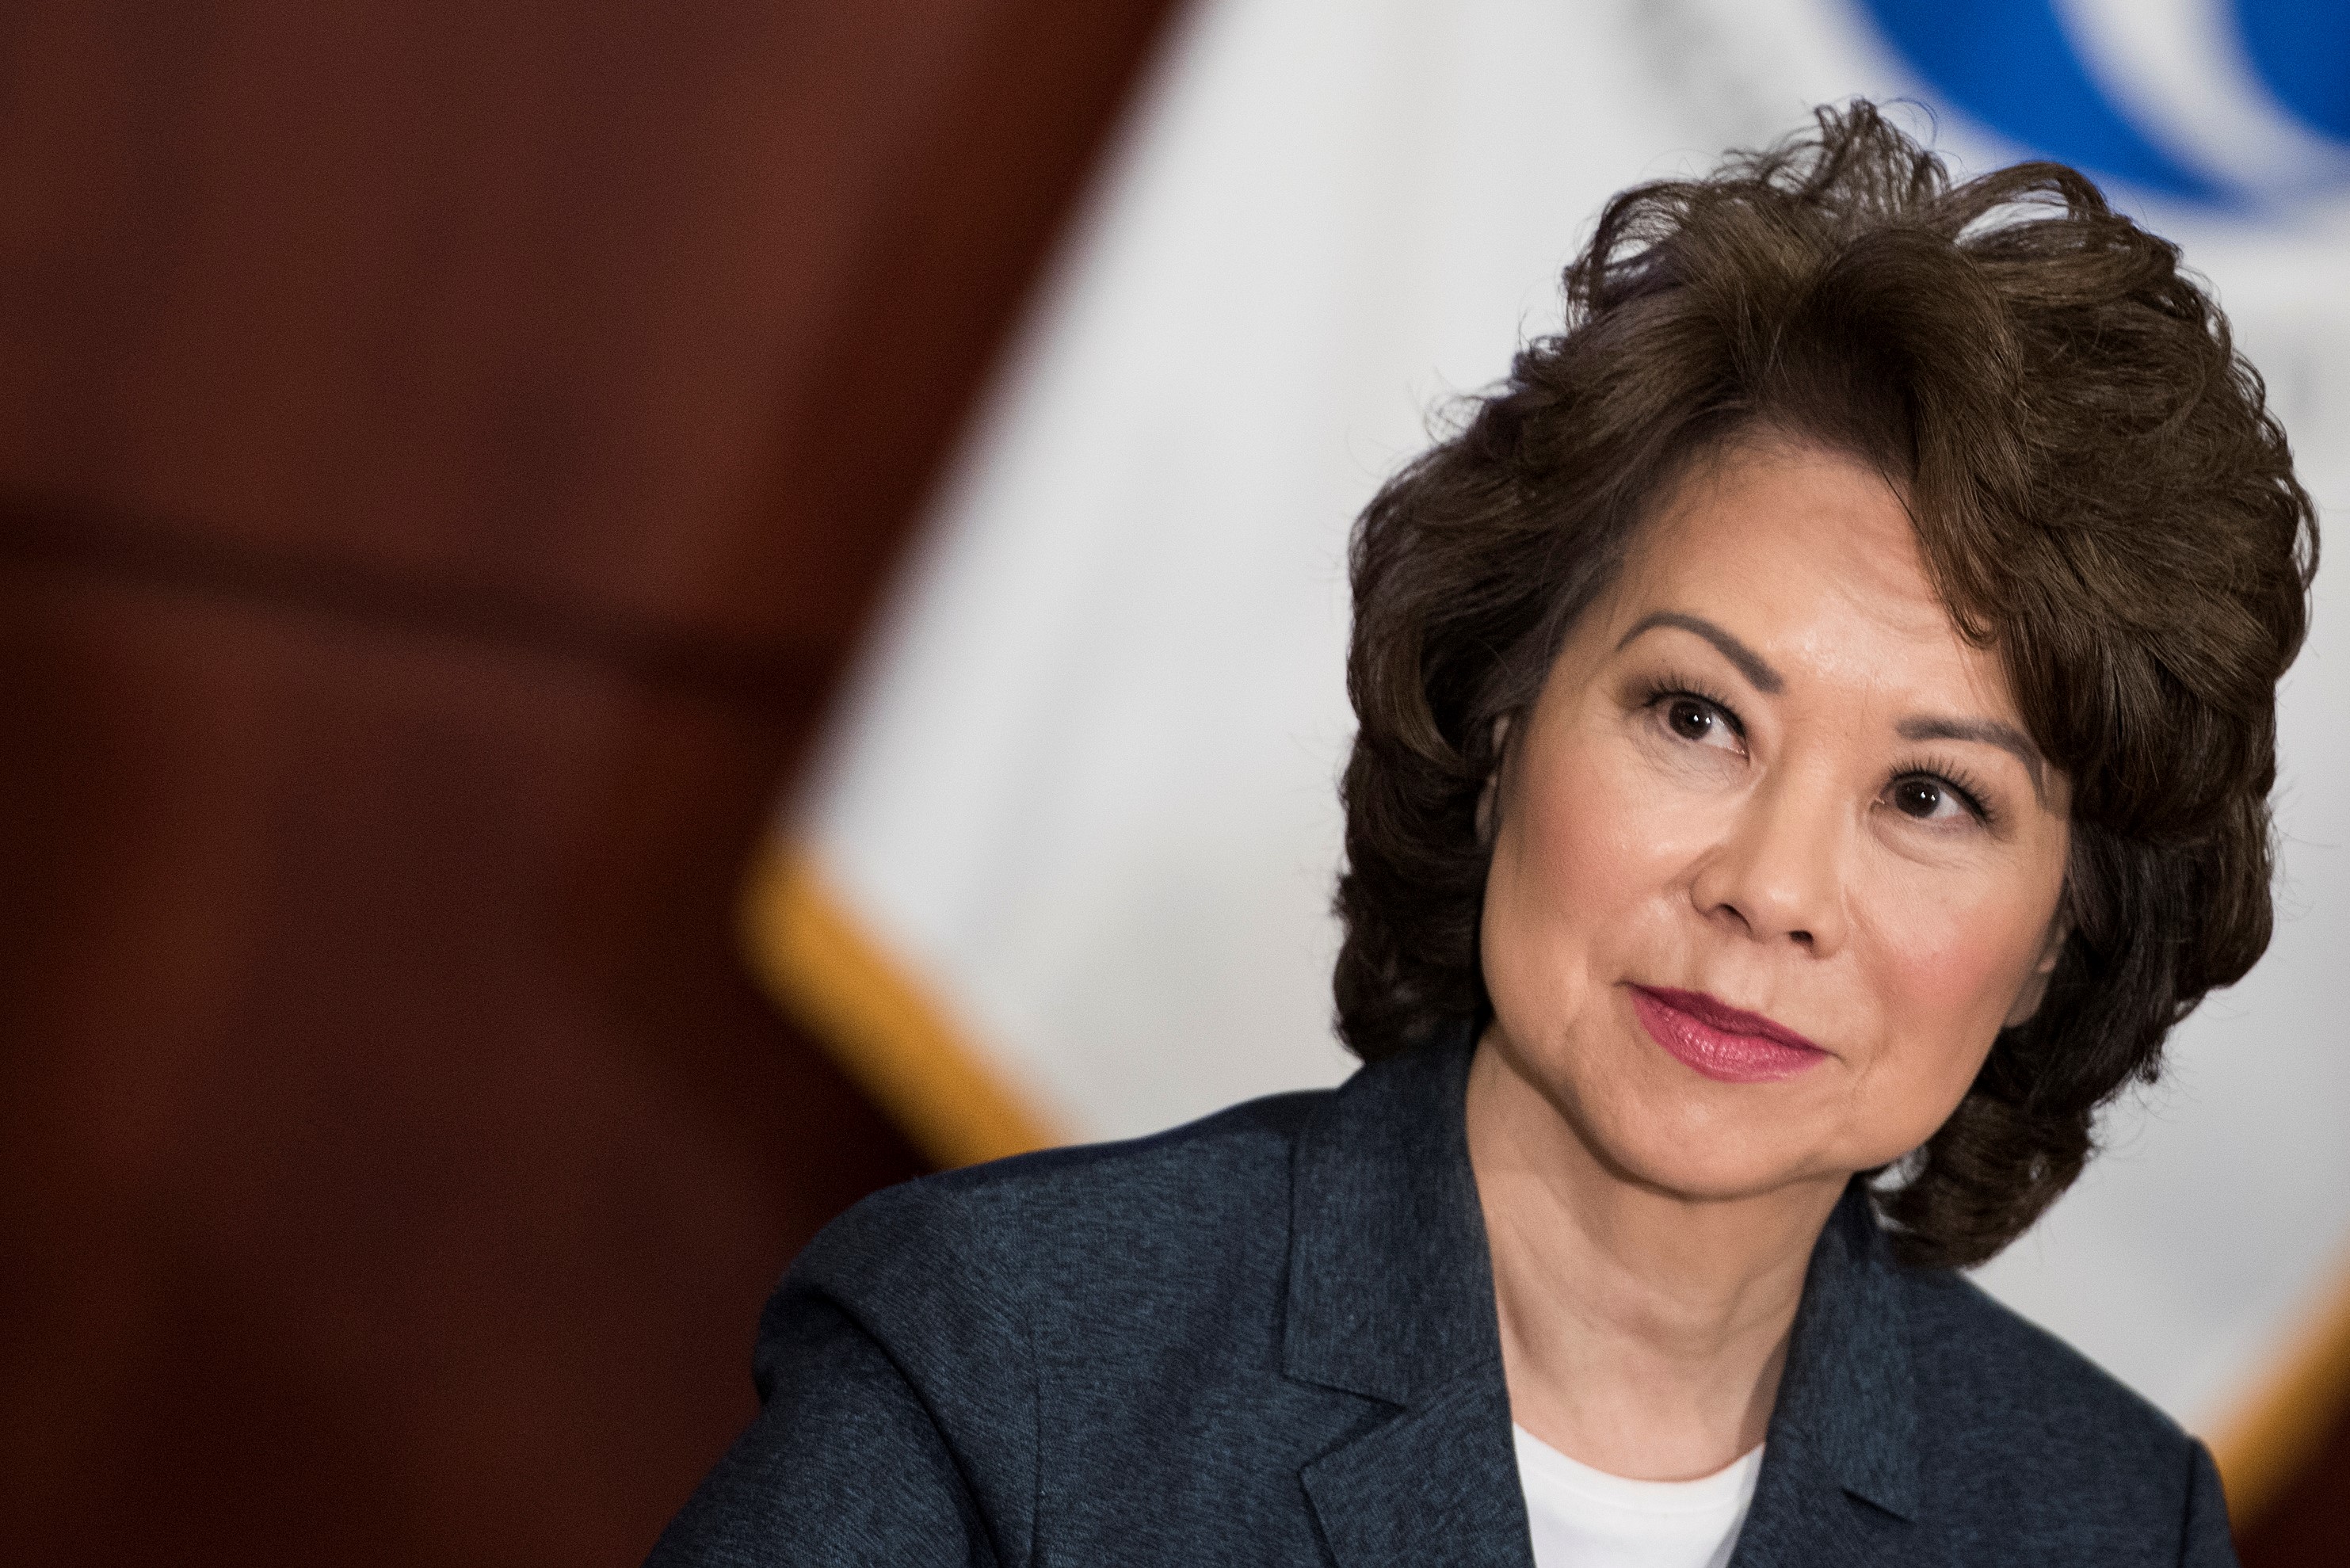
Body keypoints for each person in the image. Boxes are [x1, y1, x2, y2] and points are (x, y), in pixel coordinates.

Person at [650, 103, 2315, 1566]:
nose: (1771, 890)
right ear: (1505, 716)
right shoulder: (1007, 1368)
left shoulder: (2102, 1521)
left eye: (1932, 797)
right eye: (1695, 716)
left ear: (2056, 939)